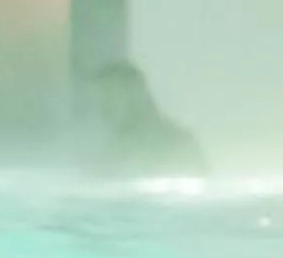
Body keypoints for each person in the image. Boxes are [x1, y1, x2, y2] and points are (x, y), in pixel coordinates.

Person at [78, 62, 206, 179]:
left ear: (135, 96)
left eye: (109, 98)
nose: (103, 109)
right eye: (101, 101)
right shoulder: (110, 151)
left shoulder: (179, 144)